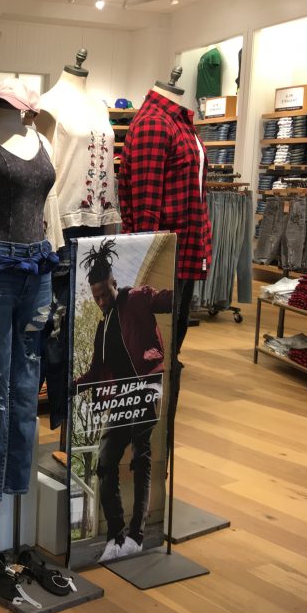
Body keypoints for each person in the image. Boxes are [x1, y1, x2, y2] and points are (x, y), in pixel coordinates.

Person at [76, 239, 172, 562]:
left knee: (140, 453)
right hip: (120, 398)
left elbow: (166, 299)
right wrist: (71, 387)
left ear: (114, 283)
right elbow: (95, 372)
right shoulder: (101, 329)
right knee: (105, 462)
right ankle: (116, 537)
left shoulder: (137, 298)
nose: (101, 301)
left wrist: (183, 292)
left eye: (105, 293)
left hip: (146, 386)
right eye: (96, 297)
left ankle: (136, 536)